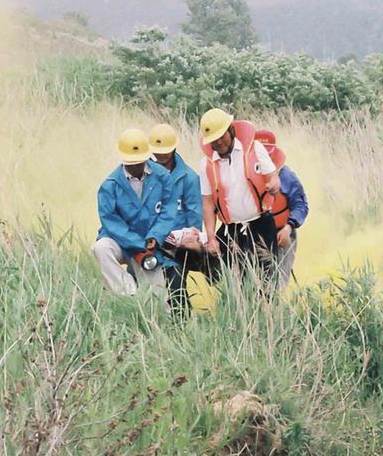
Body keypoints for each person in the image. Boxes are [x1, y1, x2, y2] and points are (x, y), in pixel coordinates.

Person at [196, 108, 282, 284]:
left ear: (231, 130)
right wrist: (211, 238)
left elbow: (273, 176)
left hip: (260, 224)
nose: (219, 142)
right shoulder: (206, 164)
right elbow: (207, 202)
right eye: (214, 140)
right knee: (237, 281)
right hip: (231, 229)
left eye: (222, 136)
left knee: (266, 280)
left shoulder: (255, 149)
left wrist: (273, 183)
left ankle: (268, 310)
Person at [91, 128, 175, 295]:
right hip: (121, 242)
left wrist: (154, 237)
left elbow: (168, 211)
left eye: (139, 161)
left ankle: (157, 317)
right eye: (131, 162)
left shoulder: (163, 177)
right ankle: (128, 293)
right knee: (100, 247)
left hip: (150, 245)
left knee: (159, 300)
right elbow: (110, 222)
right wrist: (138, 243)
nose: (136, 166)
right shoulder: (109, 186)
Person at [147, 123, 206, 311]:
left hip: (177, 248)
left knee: (175, 286)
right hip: (149, 244)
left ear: (174, 148)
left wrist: (190, 245)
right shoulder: (144, 175)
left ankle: (182, 329)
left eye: (165, 152)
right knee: (143, 288)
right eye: (156, 153)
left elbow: (194, 217)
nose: (160, 157)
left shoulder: (189, 178)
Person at [254, 129, 308, 290]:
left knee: (279, 282)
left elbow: (301, 206)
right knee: (257, 279)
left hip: (283, 231)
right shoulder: (248, 173)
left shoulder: (286, 176)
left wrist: (288, 227)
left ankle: (277, 309)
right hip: (257, 233)